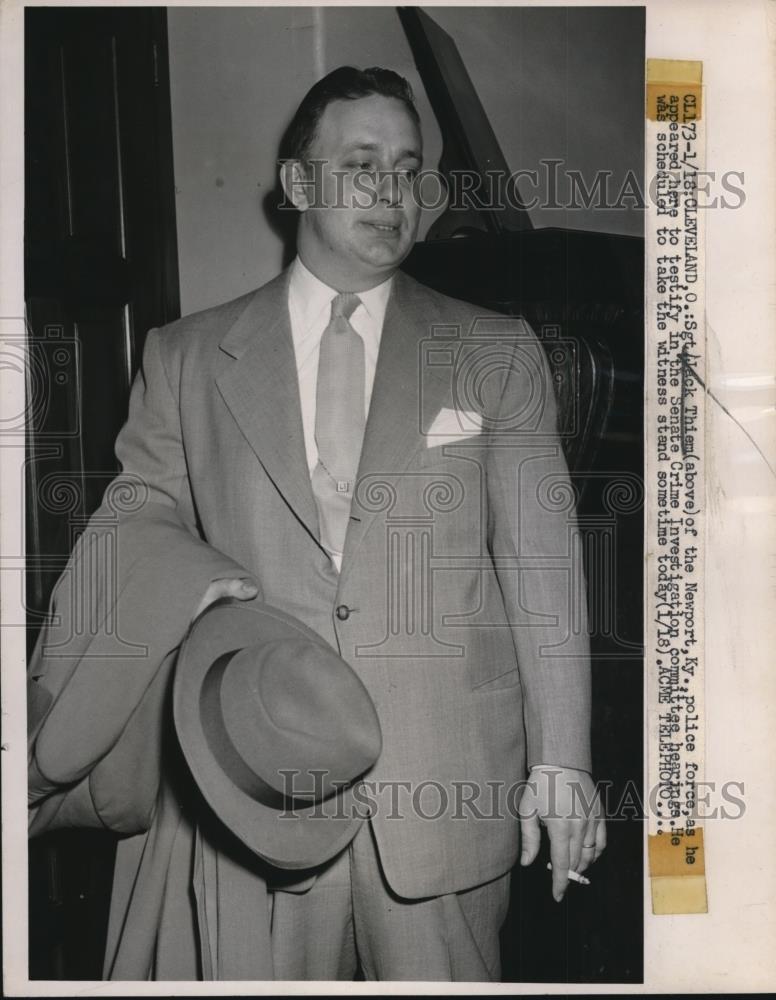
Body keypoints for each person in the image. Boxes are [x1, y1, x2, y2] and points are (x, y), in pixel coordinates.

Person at [28, 66, 605, 981]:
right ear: (298, 185)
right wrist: (188, 578)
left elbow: (543, 566)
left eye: (409, 169)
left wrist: (564, 763)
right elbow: (135, 518)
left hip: (441, 791)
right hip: (254, 774)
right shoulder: (183, 356)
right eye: (361, 163)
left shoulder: (496, 350)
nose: (393, 192)